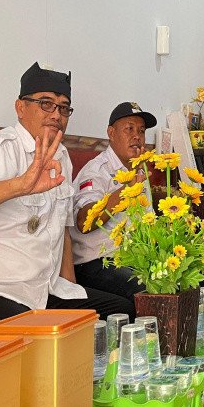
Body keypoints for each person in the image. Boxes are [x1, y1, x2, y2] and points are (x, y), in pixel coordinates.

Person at [0, 63, 134, 335]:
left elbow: (63, 233)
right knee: (38, 337)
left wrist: (73, 293)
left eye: (63, 107)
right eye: (46, 103)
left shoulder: (61, 157)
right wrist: (19, 185)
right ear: (20, 108)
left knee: (121, 312)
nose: (56, 114)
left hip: (43, 291)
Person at [70, 102, 157, 300]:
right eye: (129, 129)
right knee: (147, 291)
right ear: (111, 133)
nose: (137, 136)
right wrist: (124, 192)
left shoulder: (139, 171)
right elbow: (84, 222)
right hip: (96, 262)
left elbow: (148, 220)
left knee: (184, 277)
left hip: (131, 260)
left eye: (141, 131)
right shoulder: (96, 171)